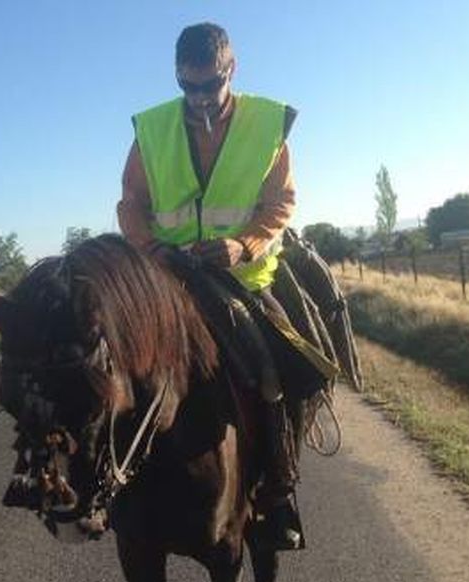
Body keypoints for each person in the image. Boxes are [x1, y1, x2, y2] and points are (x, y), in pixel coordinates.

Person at [117, 22, 306, 550]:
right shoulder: (152, 130)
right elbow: (131, 204)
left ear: (231, 69)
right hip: (167, 280)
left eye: (211, 84)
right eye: (188, 86)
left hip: (238, 278)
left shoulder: (266, 124)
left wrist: (243, 245)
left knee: (274, 365)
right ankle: (110, 485)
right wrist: (150, 248)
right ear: (178, 77)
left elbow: (280, 204)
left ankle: (278, 489)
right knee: (115, 363)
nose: (200, 96)